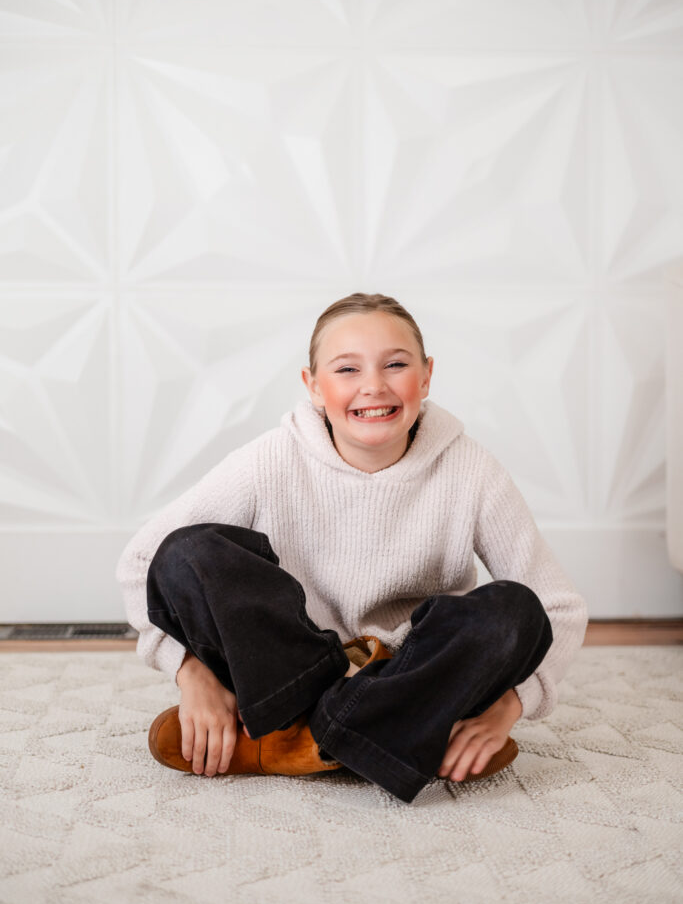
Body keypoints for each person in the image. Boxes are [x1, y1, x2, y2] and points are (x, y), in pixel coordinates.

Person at [116, 292, 587, 804]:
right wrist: (193, 674)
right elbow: (142, 561)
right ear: (313, 387)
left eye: (396, 364)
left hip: (402, 676)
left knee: (515, 609)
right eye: (346, 369)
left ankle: (288, 743)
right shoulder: (271, 460)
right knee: (189, 551)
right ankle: (380, 740)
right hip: (286, 672)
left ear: (426, 377)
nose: (373, 386)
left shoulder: (470, 470)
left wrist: (508, 708)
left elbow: (557, 607)